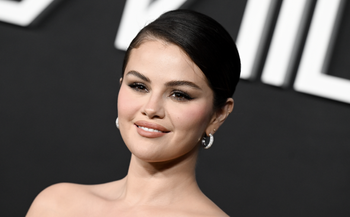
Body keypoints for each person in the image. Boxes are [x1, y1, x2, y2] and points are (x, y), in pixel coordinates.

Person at [26, 9, 240, 217]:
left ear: (218, 115)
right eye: (139, 86)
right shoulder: (57, 205)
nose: (151, 108)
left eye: (179, 94)